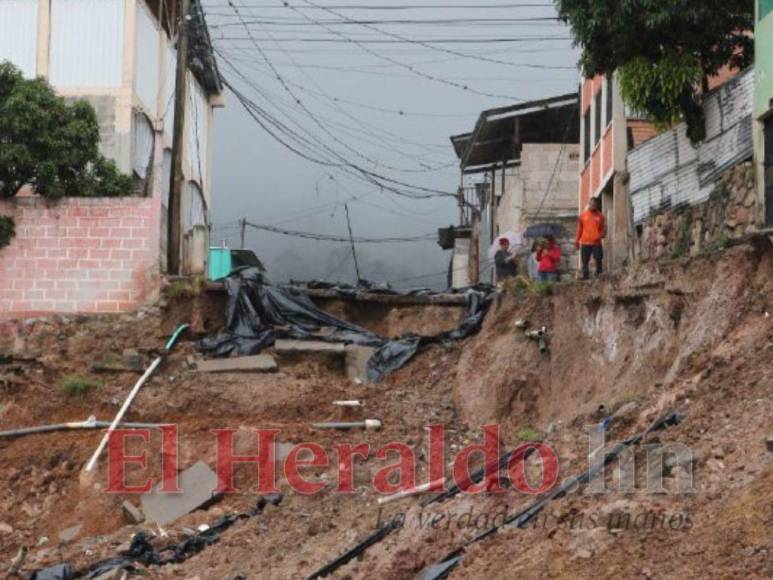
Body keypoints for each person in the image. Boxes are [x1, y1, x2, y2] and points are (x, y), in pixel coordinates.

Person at [575, 197, 606, 280]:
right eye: (591, 204)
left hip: (596, 243)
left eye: (594, 204)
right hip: (585, 242)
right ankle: (585, 276)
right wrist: (577, 241)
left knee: (598, 258)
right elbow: (579, 230)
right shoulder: (582, 216)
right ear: (589, 204)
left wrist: (600, 236)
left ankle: (599, 274)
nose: (593, 206)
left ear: (597, 205)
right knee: (585, 261)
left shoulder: (601, 216)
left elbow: (604, 229)